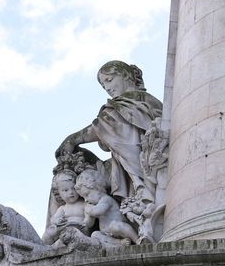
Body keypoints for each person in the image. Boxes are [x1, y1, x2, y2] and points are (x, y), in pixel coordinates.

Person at [56, 60, 165, 202]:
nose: (107, 88)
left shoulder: (138, 100)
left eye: (109, 80)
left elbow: (107, 123)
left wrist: (73, 139)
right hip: (133, 166)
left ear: (126, 75)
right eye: (103, 85)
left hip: (146, 164)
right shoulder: (122, 105)